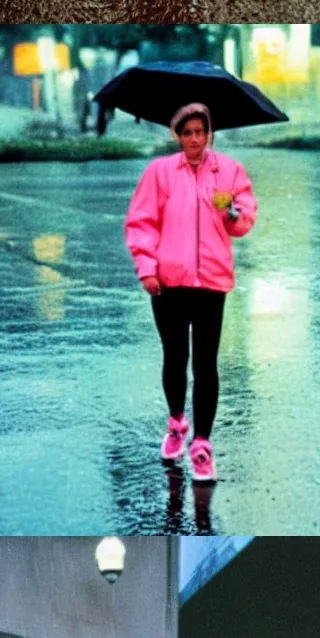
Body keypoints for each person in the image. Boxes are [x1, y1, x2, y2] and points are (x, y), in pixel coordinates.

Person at [124, 103, 257, 484]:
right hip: (168, 283)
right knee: (175, 358)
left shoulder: (228, 171)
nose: (195, 139)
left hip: (212, 283)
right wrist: (147, 269)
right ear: (177, 136)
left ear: (210, 133)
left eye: (201, 132)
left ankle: (201, 445)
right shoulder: (160, 173)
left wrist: (233, 212)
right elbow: (141, 222)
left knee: (206, 364)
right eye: (187, 133)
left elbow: (243, 220)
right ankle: (177, 423)